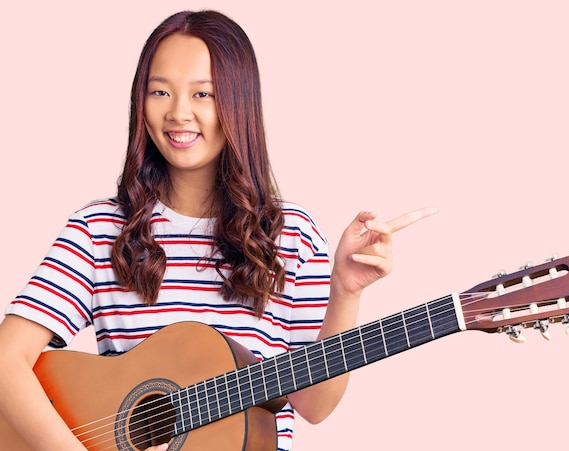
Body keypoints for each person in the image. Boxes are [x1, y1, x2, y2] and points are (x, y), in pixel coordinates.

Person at [0, 10, 436, 451]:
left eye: (203, 94)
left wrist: (345, 292)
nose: (178, 113)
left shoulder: (290, 234)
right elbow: (6, 361)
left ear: (237, 103)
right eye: (160, 91)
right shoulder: (100, 229)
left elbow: (313, 405)